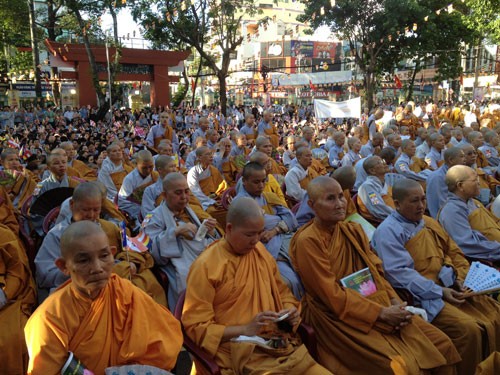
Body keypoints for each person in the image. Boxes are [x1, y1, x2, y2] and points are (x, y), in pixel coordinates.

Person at [290, 176, 460, 374]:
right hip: (337, 316)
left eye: (341, 197)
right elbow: (330, 295)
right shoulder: (308, 241)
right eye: (330, 199)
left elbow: (376, 272)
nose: (339, 204)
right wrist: (380, 313)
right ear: (311, 205)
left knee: (442, 344)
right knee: (403, 367)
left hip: (377, 301)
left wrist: (395, 302)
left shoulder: (353, 230)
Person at [182, 197, 331, 374]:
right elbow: (196, 327)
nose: (255, 240)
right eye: (249, 234)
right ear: (229, 228)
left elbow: (282, 292)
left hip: (277, 346)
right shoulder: (206, 266)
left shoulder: (259, 252)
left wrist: (289, 310)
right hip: (237, 352)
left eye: (259, 233)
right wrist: (244, 329)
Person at [372, 178, 500, 375]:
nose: (422, 206)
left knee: (495, 313)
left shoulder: (429, 223)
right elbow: (400, 274)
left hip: (454, 287)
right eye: (414, 201)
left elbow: (452, 252)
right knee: (469, 330)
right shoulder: (388, 232)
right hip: (426, 296)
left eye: (423, 199)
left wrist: (459, 276)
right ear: (396, 204)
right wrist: (440, 291)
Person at [25, 221, 182, 374]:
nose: (98, 268)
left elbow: (164, 343)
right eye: (84, 260)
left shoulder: (125, 292)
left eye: (104, 256)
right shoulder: (50, 318)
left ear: (113, 254)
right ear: (64, 266)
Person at [36, 182, 167, 306]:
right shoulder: (57, 235)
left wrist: (125, 265)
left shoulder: (107, 228)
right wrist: (82, 272)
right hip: (78, 290)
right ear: (72, 205)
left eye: (96, 210)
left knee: (146, 286)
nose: (91, 215)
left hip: (112, 284)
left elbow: (126, 251)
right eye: (85, 210)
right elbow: (45, 275)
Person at [144, 172, 219, 309]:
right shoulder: (153, 217)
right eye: (178, 193)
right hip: (177, 261)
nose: (184, 197)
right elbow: (149, 248)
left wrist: (211, 231)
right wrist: (175, 232)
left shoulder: (192, 210)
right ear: (165, 195)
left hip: (202, 253)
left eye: (186, 191)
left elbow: (210, 239)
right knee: (192, 279)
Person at [236, 162, 303, 298]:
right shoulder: (240, 203)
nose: (261, 186)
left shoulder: (268, 197)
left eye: (263, 181)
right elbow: (259, 224)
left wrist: (275, 230)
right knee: (292, 281)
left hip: (281, 239)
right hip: (264, 250)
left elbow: (292, 219)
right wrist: (279, 220)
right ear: (244, 181)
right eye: (256, 182)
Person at [438, 165, 500, 263]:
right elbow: (467, 245)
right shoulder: (452, 211)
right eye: (475, 180)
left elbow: (494, 223)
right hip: (485, 260)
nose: (479, 183)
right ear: (460, 186)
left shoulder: (474, 202)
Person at [0, 221, 36, 374]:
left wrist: (4, 294)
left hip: (8, 297)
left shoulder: (4, 235)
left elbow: (17, 270)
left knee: (12, 339)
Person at [187, 146, 228, 227]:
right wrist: (212, 202)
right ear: (199, 157)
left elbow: (222, 186)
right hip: (201, 202)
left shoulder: (213, 170)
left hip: (214, 198)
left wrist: (223, 198)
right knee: (212, 212)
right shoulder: (193, 172)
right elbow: (196, 193)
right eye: (207, 154)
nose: (211, 156)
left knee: (229, 207)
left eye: (211, 154)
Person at [117, 150, 158, 223]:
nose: (148, 171)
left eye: (151, 167)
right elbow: (122, 201)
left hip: (155, 208)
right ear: (136, 164)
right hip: (137, 212)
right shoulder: (129, 179)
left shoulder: (155, 176)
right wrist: (142, 208)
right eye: (144, 168)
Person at [426, 147, 465, 218]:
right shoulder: (438, 177)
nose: (464, 159)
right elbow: (440, 204)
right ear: (451, 160)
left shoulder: (456, 172)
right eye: (461, 156)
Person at [357, 156, 395, 221]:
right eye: (380, 162)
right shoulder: (367, 187)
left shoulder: (386, 180)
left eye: (383, 161)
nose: (385, 164)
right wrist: (402, 215)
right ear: (372, 171)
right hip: (387, 222)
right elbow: (378, 208)